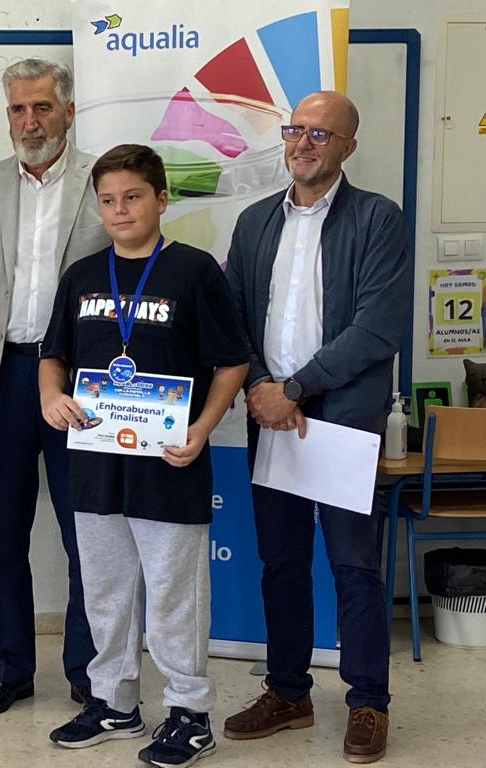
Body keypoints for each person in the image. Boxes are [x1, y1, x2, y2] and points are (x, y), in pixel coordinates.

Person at [41, 144, 249, 768]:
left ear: (161, 198)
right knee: (105, 592)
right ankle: (113, 700)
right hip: (96, 463)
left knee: (174, 595)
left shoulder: (194, 271)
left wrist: (202, 429)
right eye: (107, 200)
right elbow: (54, 355)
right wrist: (51, 396)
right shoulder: (82, 275)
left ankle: (189, 713)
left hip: (169, 463)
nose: (120, 210)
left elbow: (232, 360)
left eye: (132, 197)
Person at [222, 91, 412, 764]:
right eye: (295, 130)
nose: (303, 143)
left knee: (354, 566)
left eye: (321, 134)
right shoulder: (253, 222)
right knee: (281, 563)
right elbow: (233, 319)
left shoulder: (379, 218)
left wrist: (294, 390)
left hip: (342, 422)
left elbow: (377, 327)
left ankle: (368, 702)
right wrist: (260, 387)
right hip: (271, 417)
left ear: (348, 146)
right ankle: (287, 693)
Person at [0, 57, 109, 717]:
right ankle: (9, 669)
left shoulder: (104, 182)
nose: (30, 121)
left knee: (87, 537)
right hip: (3, 377)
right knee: (3, 535)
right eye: (18, 109)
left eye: (42, 107)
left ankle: (88, 669)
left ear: (68, 112)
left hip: (85, 384)